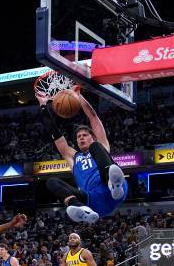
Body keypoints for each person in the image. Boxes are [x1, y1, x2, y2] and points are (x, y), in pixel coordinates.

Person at [36, 90, 128, 224]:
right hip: (92, 201)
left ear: (93, 136)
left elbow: (93, 116)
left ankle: (113, 183)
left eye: (84, 135)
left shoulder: (100, 144)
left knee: (95, 147)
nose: (81, 138)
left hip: (112, 190)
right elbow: (54, 133)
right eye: (79, 137)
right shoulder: (73, 156)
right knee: (51, 181)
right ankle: (81, 209)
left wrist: (78, 95)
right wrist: (43, 106)